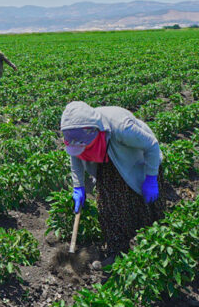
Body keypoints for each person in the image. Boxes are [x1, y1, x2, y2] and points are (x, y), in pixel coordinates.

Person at [61, 101, 163, 253]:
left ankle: (148, 247)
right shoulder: (78, 132)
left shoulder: (122, 128)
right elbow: (75, 156)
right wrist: (78, 186)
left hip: (134, 158)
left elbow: (152, 145)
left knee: (141, 204)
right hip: (106, 162)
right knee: (110, 207)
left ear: (95, 132)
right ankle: (118, 250)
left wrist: (151, 179)